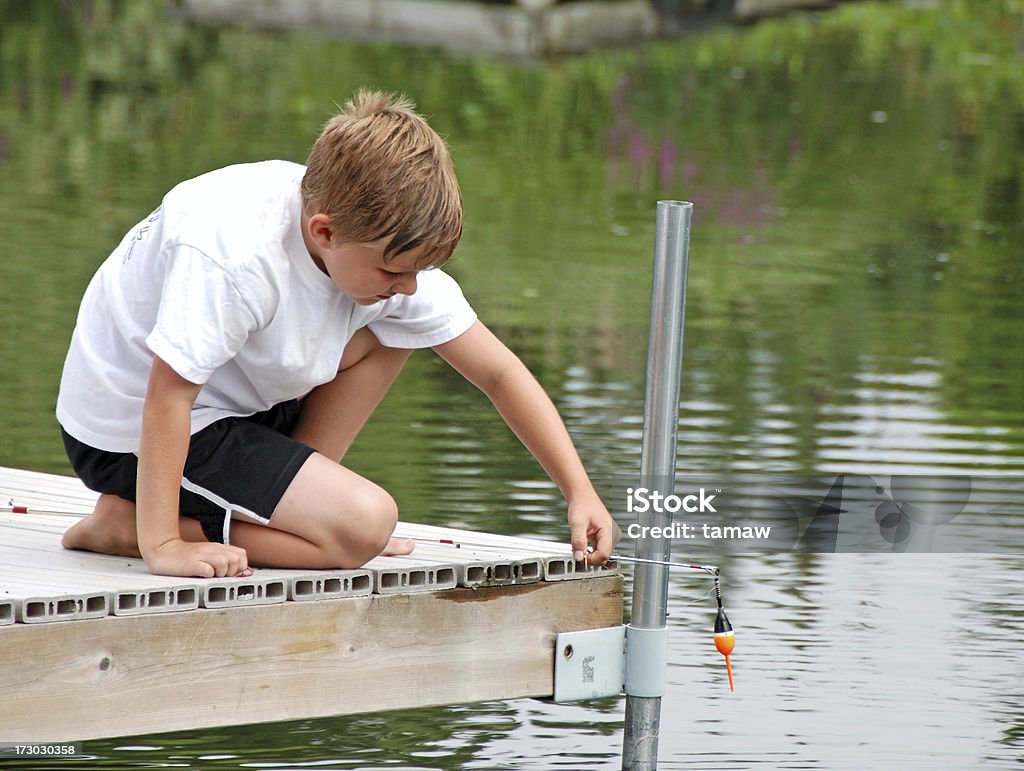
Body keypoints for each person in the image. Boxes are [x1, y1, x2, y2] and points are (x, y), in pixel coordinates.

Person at [57, 89, 619, 579]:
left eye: (418, 271)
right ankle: (128, 528)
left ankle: (303, 511)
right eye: (393, 271)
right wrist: (163, 544)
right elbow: (167, 394)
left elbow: (498, 373)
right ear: (323, 230)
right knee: (364, 525)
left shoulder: (371, 241)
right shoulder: (234, 254)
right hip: (127, 429)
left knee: (398, 333)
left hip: (227, 402)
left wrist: (579, 491)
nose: (409, 288)